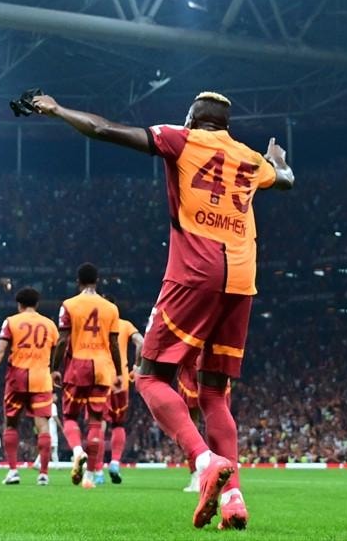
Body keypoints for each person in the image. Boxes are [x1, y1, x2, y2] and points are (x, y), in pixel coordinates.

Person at [27, 91, 292, 529]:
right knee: (214, 393)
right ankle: (234, 500)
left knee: (149, 377)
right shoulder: (249, 158)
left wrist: (57, 110)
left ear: (192, 118)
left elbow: (103, 129)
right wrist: (277, 159)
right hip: (243, 279)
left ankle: (203, 461)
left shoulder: (182, 139)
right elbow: (285, 179)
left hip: (195, 273)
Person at [52, 263, 122, 490]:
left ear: (78, 282)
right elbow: (114, 344)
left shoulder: (69, 305)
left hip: (77, 365)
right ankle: (90, 476)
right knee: (95, 421)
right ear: (97, 281)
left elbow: (62, 340)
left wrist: (55, 368)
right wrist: (120, 372)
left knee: (70, 416)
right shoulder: (111, 308)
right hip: (102, 368)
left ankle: (77, 451)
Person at [0, 287, 59, 486]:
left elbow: (0, 351)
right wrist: (55, 371)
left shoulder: (11, 322)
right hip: (41, 378)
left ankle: (13, 471)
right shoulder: (50, 325)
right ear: (37, 304)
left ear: (19, 305)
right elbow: (57, 352)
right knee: (43, 426)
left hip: (17, 378)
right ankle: (43, 474)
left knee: (11, 424)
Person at [104, 317, 143, 485]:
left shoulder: (99, 323)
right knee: (118, 424)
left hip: (101, 378)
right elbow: (141, 342)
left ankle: (95, 470)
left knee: (98, 421)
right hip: (122, 380)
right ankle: (114, 462)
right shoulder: (126, 325)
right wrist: (137, 366)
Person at [178, 369, 202, 493]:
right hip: (213, 365)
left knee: (189, 424)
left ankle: (197, 475)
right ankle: (230, 483)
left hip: (190, 367)